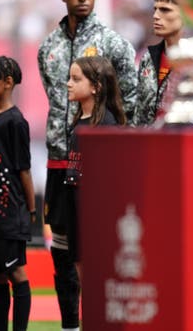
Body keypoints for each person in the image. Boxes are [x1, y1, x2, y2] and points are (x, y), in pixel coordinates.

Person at [37, 0, 137, 331]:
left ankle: (106, 320)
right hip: (59, 160)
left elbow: (133, 101)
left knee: (97, 249)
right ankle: (69, 325)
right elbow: (53, 98)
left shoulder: (113, 43)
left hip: (97, 164)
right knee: (61, 249)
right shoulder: (48, 46)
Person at [0, 56, 36, 331]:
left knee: (16, 273)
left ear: (7, 82)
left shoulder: (15, 121)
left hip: (9, 213)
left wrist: (31, 209)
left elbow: (24, 169)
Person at [65, 56, 126, 275]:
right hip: (77, 206)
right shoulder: (79, 121)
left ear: (96, 87)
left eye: (76, 79)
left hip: (98, 212)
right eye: (69, 78)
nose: (68, 83)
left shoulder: (107, 126)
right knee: (82, 272)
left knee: (99, 274)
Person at [133, 0, 182, 126]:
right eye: (155, 10)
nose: (155, 16)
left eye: (165, 10)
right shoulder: (148, 57)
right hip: (151, 143)